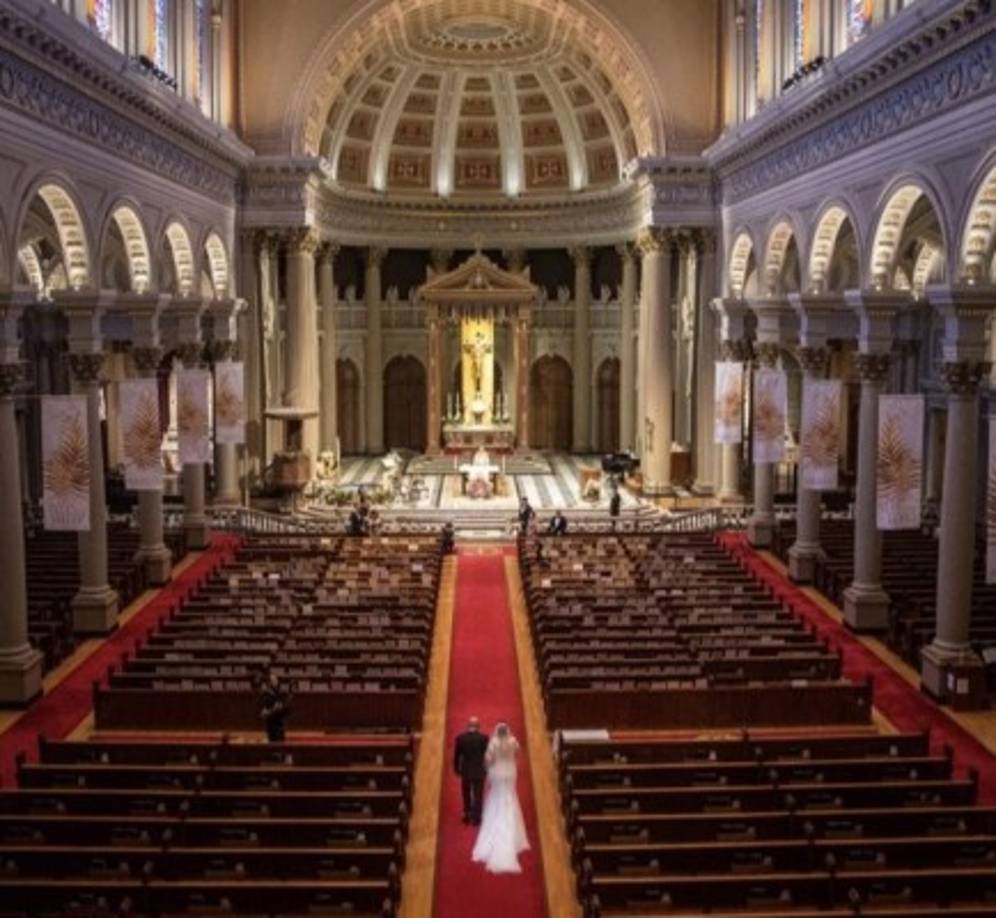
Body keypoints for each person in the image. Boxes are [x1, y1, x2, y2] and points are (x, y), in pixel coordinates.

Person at [471, 722, 530, 873]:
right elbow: (518, 754)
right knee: (510, 797)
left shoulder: (494, 743)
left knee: (497, 797)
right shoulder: (513, 741)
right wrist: (511, 762)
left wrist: (488, 768)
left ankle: (497, 821)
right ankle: (512, 832)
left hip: (497, 772)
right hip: (510, 771)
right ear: (507, 731)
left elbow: (488, 760)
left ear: (497, 732)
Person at [454, 716, 490, 825]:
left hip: (466, 770)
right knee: (478, 795)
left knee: (466, 793)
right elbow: (487, 756)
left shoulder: (460, 738)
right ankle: (477, 817)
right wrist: (488, 768)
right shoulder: (484, 738)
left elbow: (457, 756)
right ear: (478, 726)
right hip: (479, 770)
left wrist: (456, 769)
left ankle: (467, 813)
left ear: (468, 726)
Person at [259, 671, 291, 743]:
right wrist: (273, 710)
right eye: (273, 680)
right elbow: (263, 712)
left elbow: (285, 707)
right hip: (271, 724)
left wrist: (283, 706)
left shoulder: (279, 693)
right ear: (269, 682)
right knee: (273, 742)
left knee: (281, 742)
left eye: (276, 680)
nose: (276, 682)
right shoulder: (266, 694)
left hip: (280, 723)